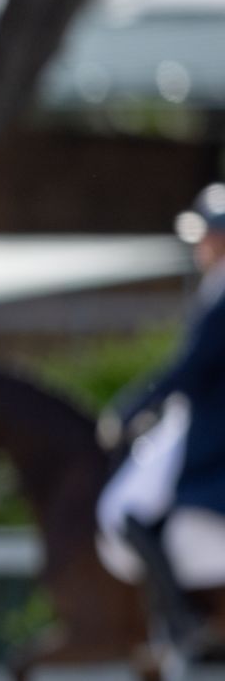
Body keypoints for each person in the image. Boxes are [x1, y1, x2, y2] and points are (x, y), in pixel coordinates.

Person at [98, 182, 225, 652]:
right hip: (196, 414)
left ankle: (179, 614)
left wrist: (135, 405)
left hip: (211, 424)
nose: (200, 246)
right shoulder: (216, 289)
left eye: (207, 236)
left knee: (124, 507)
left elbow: (191, 370)